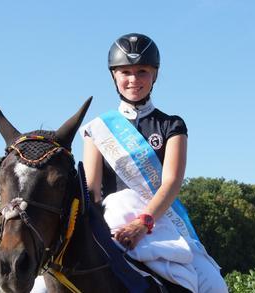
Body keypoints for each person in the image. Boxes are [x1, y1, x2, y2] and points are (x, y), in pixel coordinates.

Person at [81, 33, 228, 293]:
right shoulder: (97, 130)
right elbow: (92, 191)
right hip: (112, 224)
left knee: (215, 285)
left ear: (155, 75)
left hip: (161, 223)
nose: (133, 79)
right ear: (114, 75)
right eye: (125, 71)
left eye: (142, 71)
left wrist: (143, 223)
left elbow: (171, 181)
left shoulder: (172, 125)